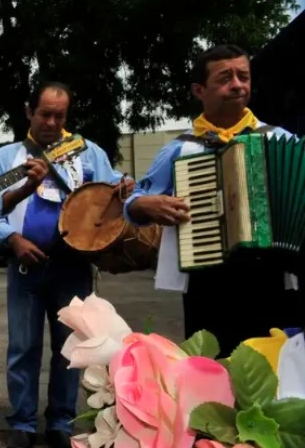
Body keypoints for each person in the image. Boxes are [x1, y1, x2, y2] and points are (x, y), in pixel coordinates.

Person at [0, 80, 133, 448]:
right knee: (23, 347)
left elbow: (111, 193)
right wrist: (12, 240)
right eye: (45, 114)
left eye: (59, 116)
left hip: (74, 268)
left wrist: (125, 188)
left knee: (72, 350)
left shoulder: (88, 153)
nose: (51, 122)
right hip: (25, 268)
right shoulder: (5, 159)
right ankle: (23, 423)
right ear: (29, 111)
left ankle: (61, 423)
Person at [124, 44, 298, 357]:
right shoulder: (181, 149)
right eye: (225, 78)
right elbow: (135, 201)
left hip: (272, 278)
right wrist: (145, 205)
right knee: (210, 370)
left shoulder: (281, 140)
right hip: (207, 281)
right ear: (199, 90)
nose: (237, 85)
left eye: (243, 76)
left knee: (273, 371)